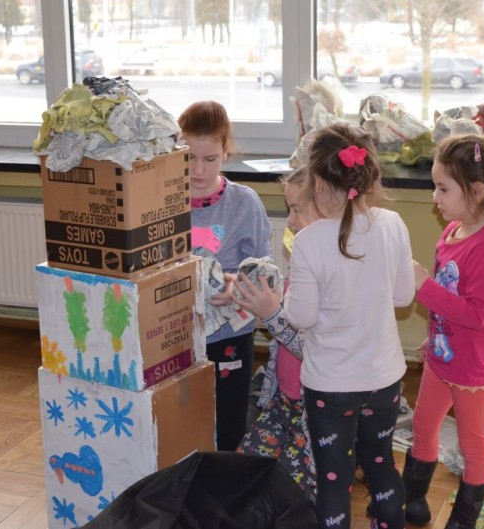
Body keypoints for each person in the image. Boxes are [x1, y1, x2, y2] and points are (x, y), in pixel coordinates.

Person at [280, 122, 415, 529]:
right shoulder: (393, 223)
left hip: (331, 386)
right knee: (381, 464)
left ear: (318, 183)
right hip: (384, 379)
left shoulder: (308, 242)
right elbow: (403, 297)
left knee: (334, 480)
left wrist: (284, 298)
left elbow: (301, 317)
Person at [408, 134, 484, 529]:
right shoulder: (452, 231)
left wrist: (423, 286)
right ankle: (412, 502)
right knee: (422, 427)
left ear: (477, 191)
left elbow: (477, 315)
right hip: (442, 357)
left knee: (472, 445)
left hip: (474, 369)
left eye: (443, 188)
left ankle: (462, 520)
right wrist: (436, 333)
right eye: (435, 187)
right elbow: (450, 298)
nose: (435, 197)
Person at [177, 101, 272, 451]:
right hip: (180, 333)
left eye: (210, 159)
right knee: (183, 418)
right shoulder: (163, 202)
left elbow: (265, 271)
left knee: (230, 423)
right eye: (189, 158)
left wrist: (234, 285)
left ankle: (227, 477)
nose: (198, 170)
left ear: (226, 152)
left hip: (231, 333)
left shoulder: (245, 203)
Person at [234, 166, 318, 501]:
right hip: (283, 400)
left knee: (294, 496)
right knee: (242, 474)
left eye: (298, 209)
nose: (291, 221)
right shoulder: (302, 259)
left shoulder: (329, 274)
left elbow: (312, 349)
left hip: (313, 412)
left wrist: (271, 313)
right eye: (289, 210)